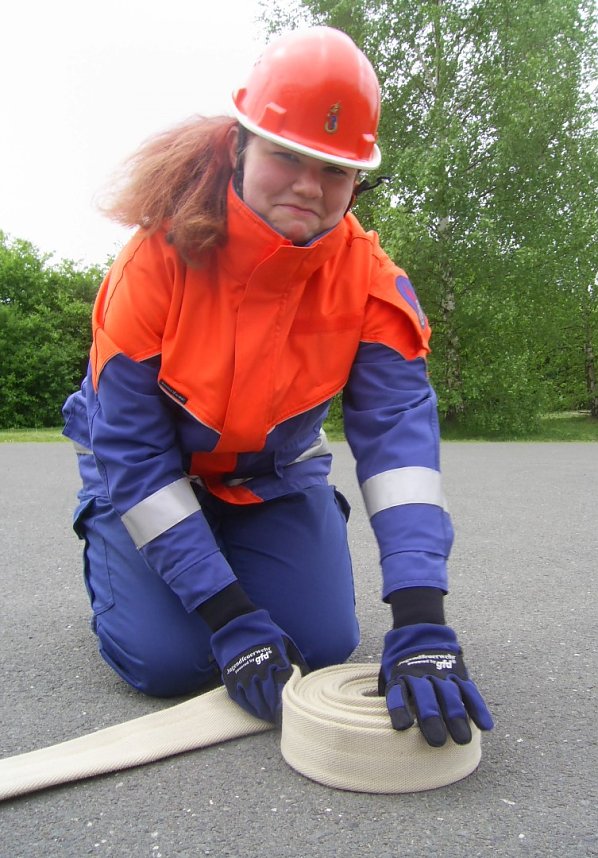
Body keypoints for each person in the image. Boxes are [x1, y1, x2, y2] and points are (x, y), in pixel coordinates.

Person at [63, 26, 493, 748]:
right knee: (167, 661)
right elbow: (133, 453)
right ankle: (127, 555)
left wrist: (422, 617)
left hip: (268, 476)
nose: (309, 186)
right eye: (286, 156)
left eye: (335, 169)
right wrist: (229, 615)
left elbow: (402, 452)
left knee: (322, 644)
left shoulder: (372, 283)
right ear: (241, 147)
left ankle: (236, 552)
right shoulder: (154, 264)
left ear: (358, 181)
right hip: (146, 478)